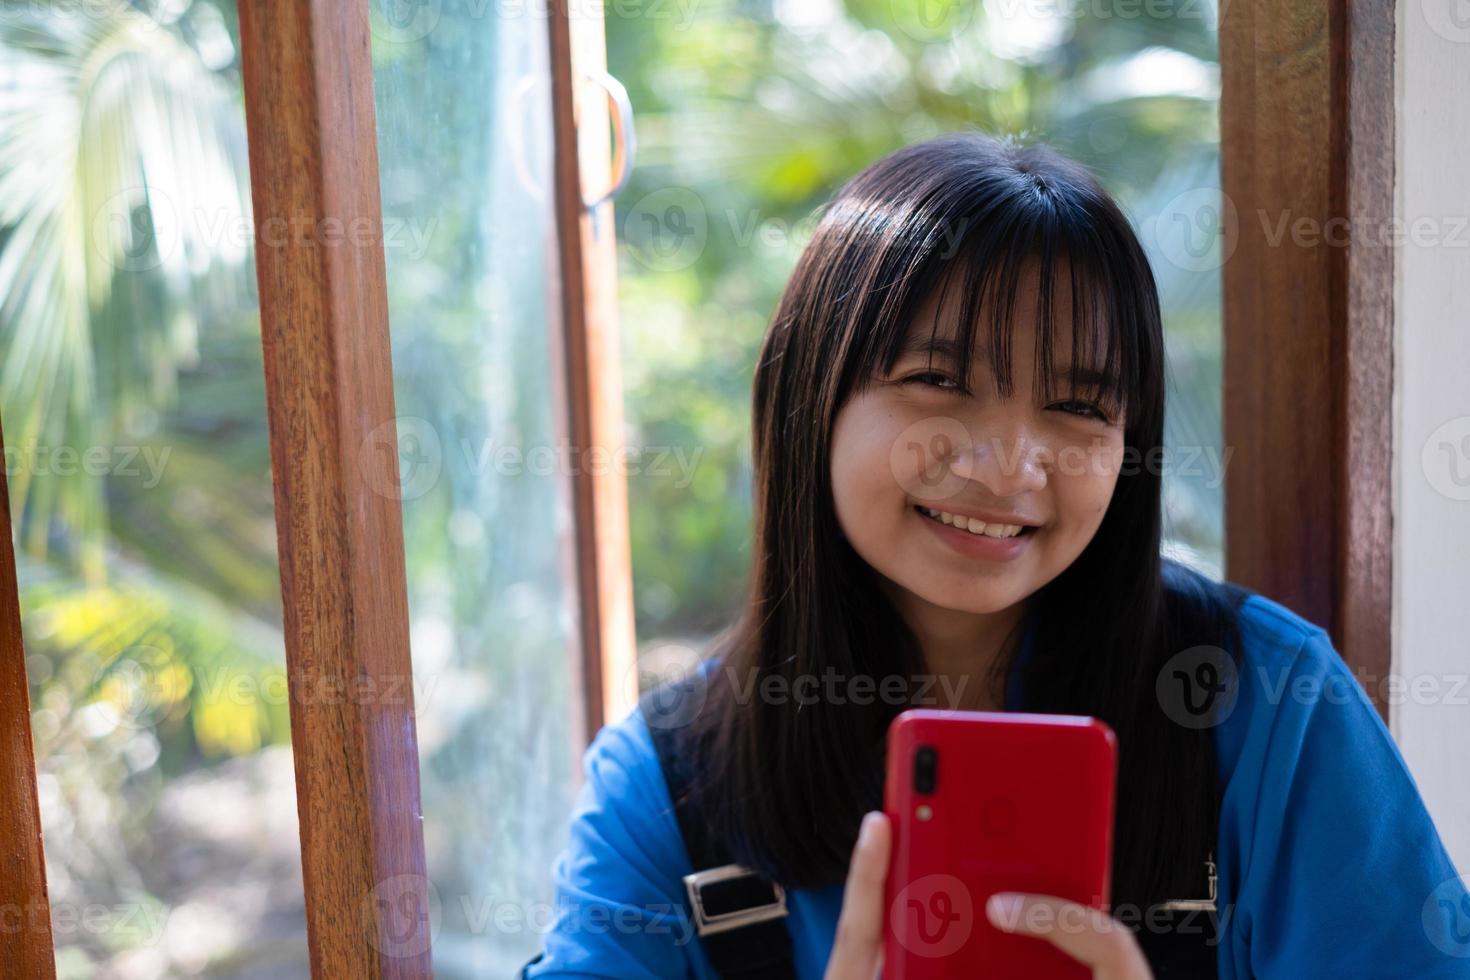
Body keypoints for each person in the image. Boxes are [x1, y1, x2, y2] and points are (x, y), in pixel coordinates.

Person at [520, 132, 1470, 978]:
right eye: (938, 379)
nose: (1007, 465)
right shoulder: (664, 787)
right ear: (810, 398)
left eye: (1078, 406)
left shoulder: (1270, 704)